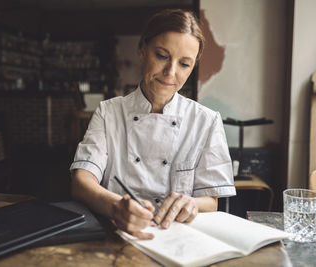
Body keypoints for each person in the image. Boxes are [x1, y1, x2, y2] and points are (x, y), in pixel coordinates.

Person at [70, 9, 235, 240]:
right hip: (115, 235)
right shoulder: (109, 112)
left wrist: (191, 203)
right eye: (162, 55)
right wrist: (116, 207)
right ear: (142, 50)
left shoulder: (206, 121)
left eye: (184, 64)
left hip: (177, 239)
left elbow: (211, 200)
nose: (170, 72)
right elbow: (81, 181)